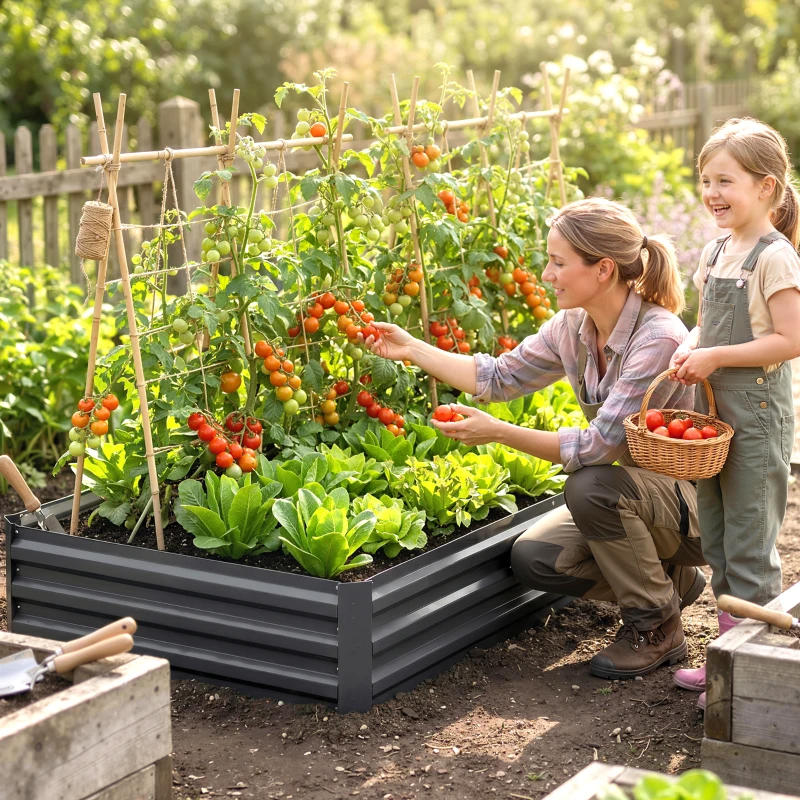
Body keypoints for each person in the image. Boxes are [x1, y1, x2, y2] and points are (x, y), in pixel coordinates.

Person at [363, 197, 708, 680]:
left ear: (603, 269)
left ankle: (656, 627)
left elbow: (596, 449)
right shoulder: (574, 327)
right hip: (639, 501)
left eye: (559, 262)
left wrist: (498, 432)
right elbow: (499, 377)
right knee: (537, 559)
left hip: (693, 510)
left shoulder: (657, 339)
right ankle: (669, 581)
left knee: (590, 486)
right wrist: (412, 348)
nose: (547, 274)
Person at [669, 118, 800, 709]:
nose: (712, 193)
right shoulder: (719, 249)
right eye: (706, 180)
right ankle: (728, 657)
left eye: (726, 181)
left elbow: (791, 339)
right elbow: (705, 321)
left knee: (749, 541)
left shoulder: (776, 258)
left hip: (758, 413)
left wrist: (716, 353)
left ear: (766, 186)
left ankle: (753, 671)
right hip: (714, 411)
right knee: (718, 536)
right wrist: (690, 344)